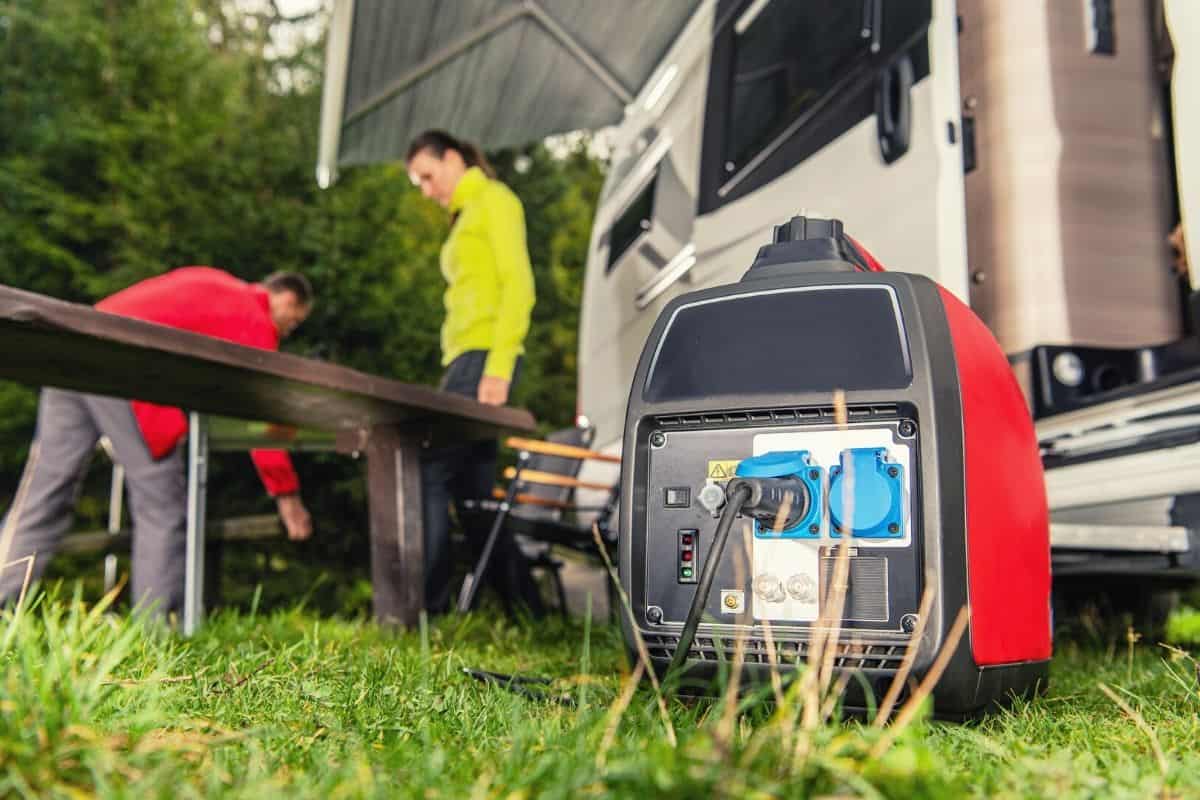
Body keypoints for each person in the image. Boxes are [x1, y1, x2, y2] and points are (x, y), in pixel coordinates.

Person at [0, 268, 315, 614]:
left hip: (73, 347)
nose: (286, 330)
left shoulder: (212, 280)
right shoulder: (254, 316)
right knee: (161, 505)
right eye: (294, 322)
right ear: (286, 298)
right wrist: (287, 495)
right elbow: (261, 410)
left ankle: (3, 604)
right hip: (123, 367)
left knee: (42, 493)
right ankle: (153, 630)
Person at [406, 130, 543, 615]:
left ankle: (426, 610)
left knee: (430, 469)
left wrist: (499, 366)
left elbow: (519, 284)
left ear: (455, 158)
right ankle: (528, 610)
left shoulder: (494, 200)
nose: (425, 188)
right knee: (476, 492)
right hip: (464, 359)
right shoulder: (464, 217)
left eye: (428, 174)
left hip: (483, 359)